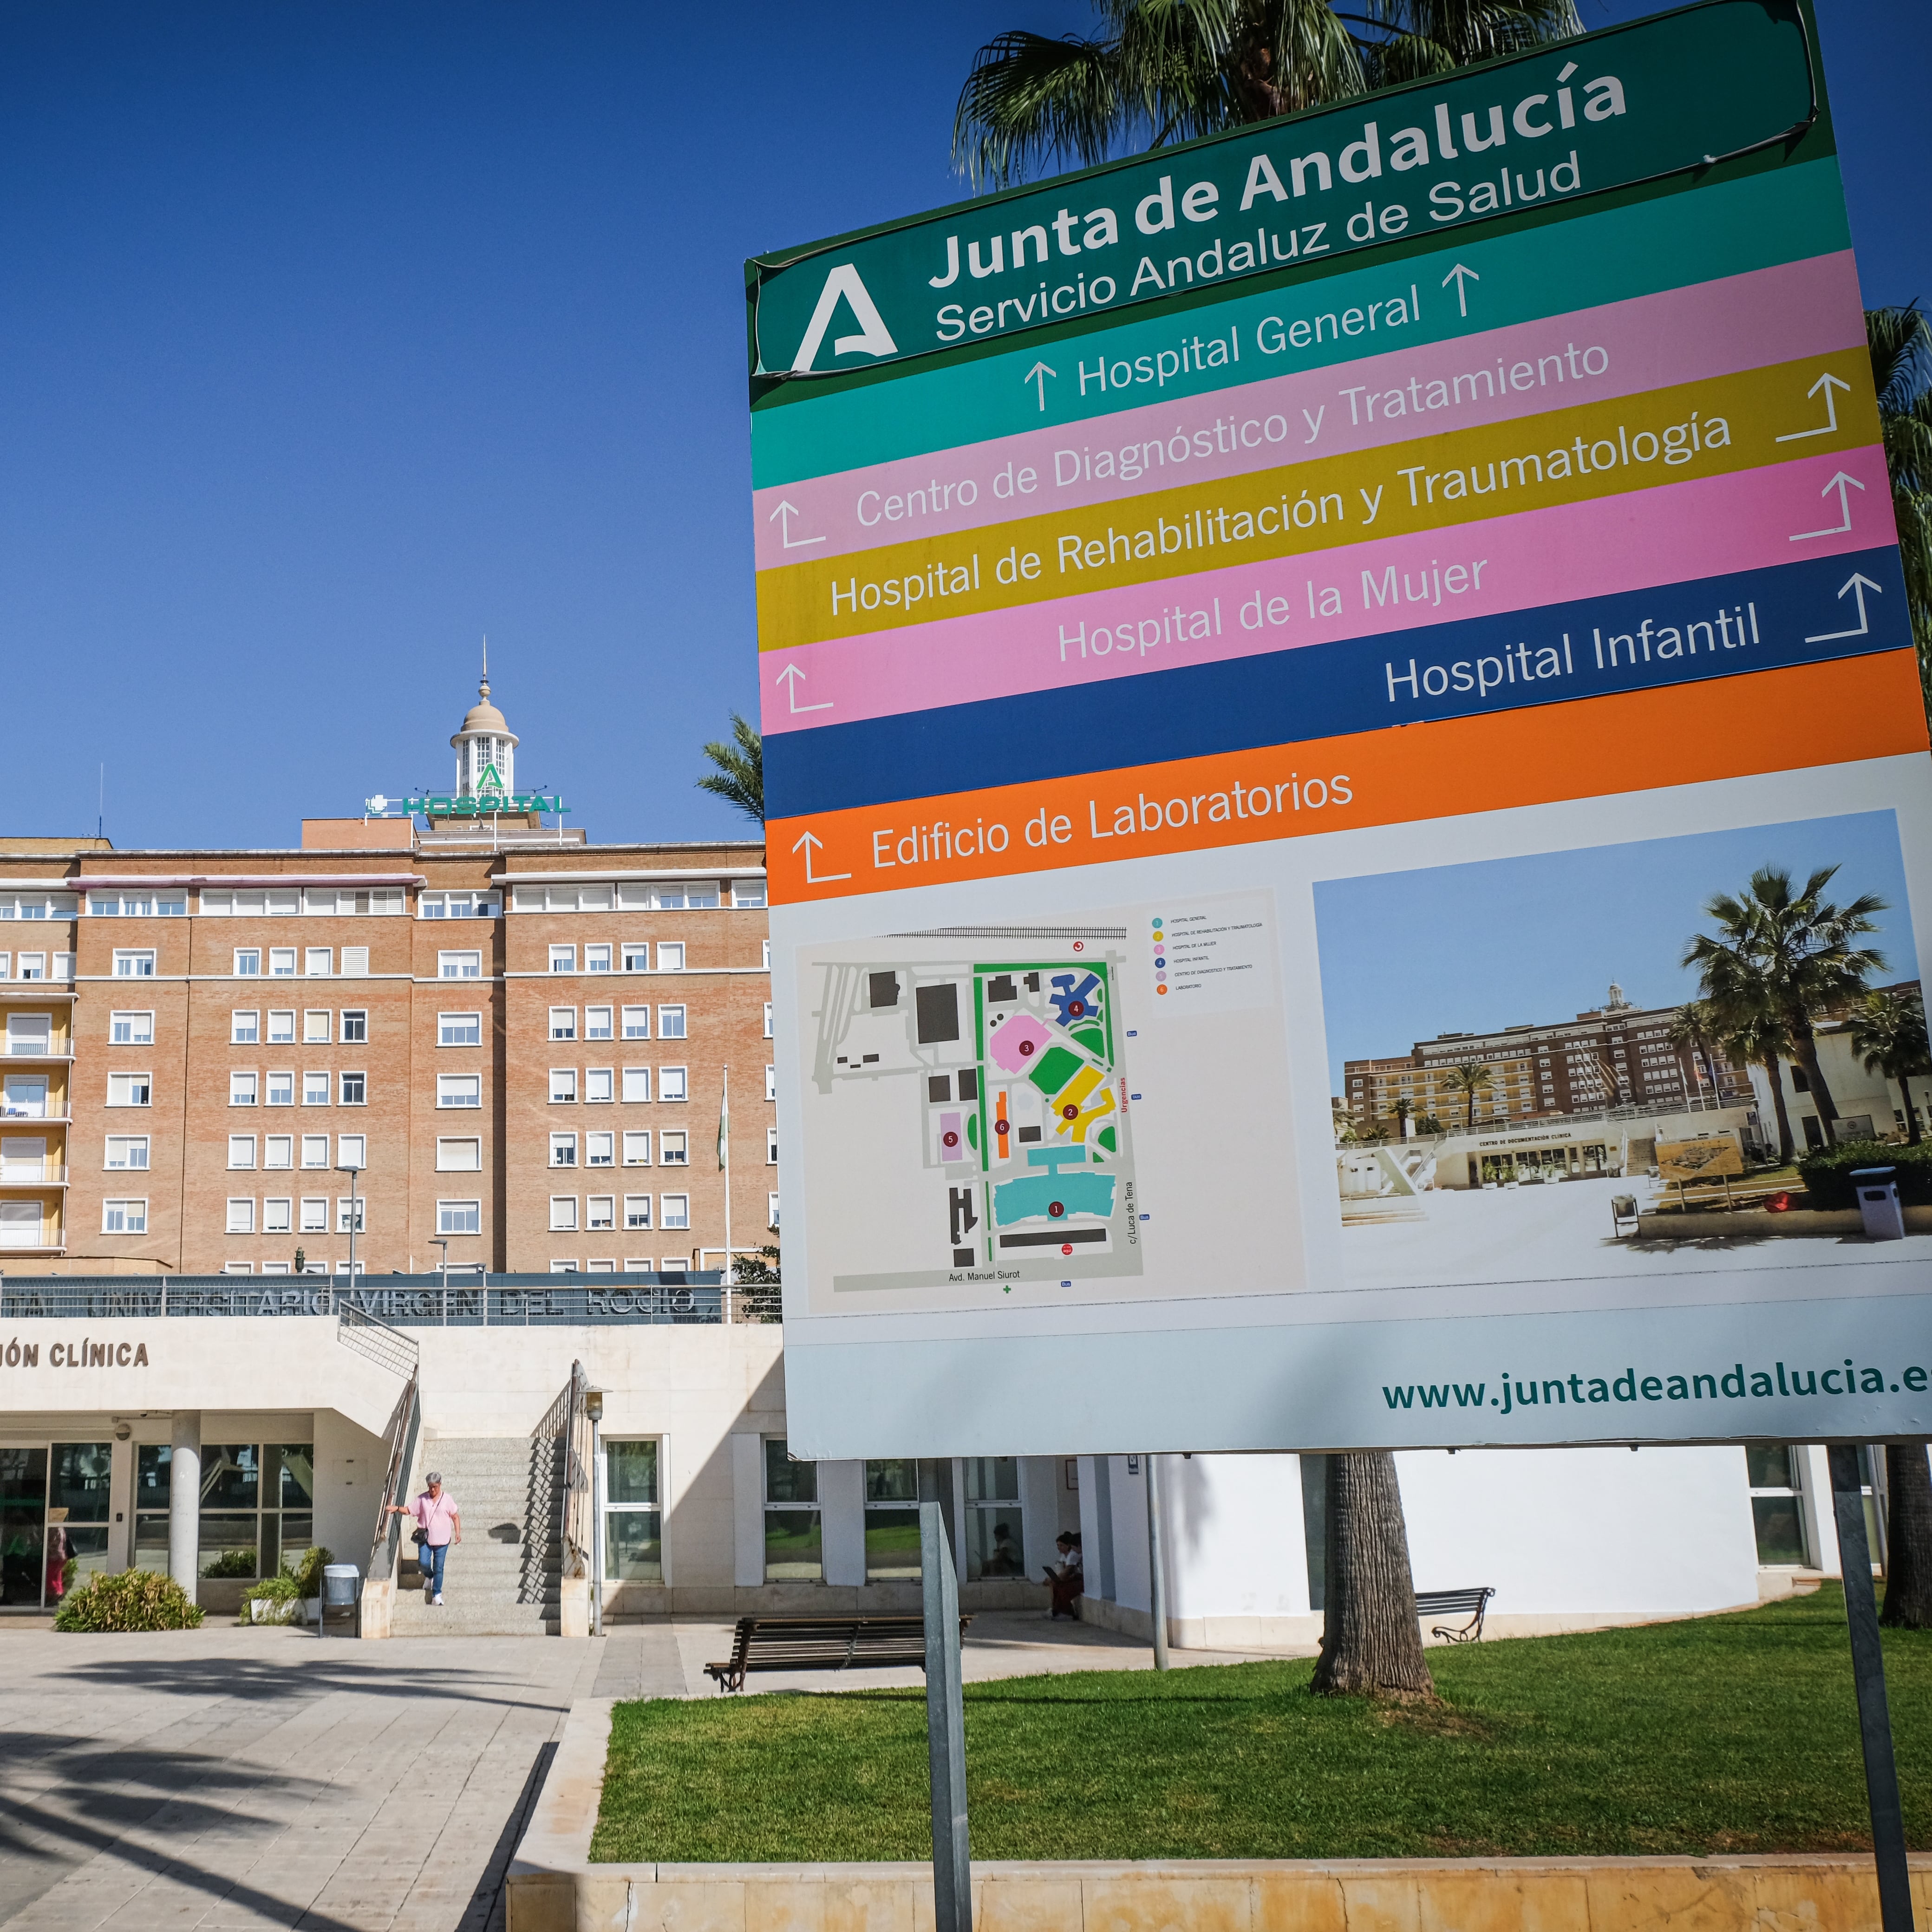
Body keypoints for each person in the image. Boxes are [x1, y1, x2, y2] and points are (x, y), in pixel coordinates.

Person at [387, 1471, 460, 1606]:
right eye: (430, 1487)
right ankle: (429, 1576)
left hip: (443, 1540)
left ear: (440, 1485)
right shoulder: (422, 1499)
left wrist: (458, 1533)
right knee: (423, 1563)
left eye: (435, 1487)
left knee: (439, 1567)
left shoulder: (447, 1499)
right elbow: (409, 1510)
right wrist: (396, 1508)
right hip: (425, 1539)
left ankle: (437, 1595)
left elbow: (455, 1516)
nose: (433, 1490)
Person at [1044, 1531, 1083, 1618]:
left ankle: (1066, 1612)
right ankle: (1057, 1610)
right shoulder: (1072, 1555)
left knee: (1063, 1589)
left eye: (1073, 1548)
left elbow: (1067, 1572)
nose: (1072, 1551)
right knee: (1058, 1586)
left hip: (1081, 1580)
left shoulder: (1074, 1555)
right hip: (1076, 1578)